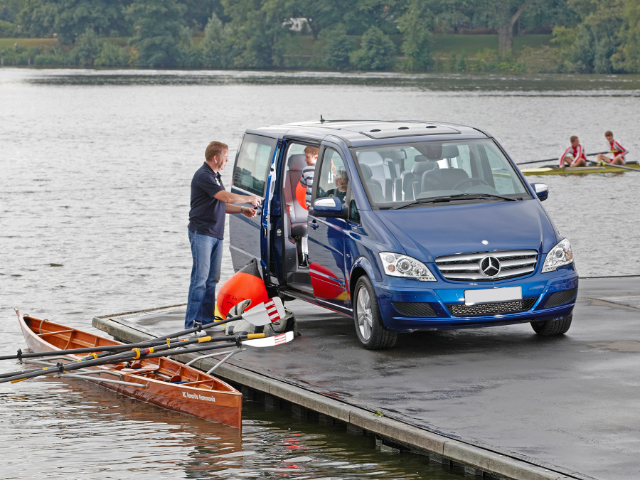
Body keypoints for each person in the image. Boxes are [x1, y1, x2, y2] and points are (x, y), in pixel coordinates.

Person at [185, 141, 261, 329]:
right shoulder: (204, 175)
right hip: (202, 233)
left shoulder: (215, 177)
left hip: (216, 234)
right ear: (215, 157)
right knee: (200, 279)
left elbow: (221, 204)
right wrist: (249, 199)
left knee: (212, 279)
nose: (227, 160)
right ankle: (190, 324)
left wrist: (242, 210)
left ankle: (206, 322)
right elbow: (225, 197)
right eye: (226, 157)